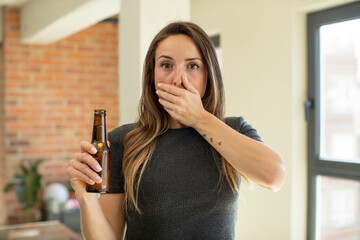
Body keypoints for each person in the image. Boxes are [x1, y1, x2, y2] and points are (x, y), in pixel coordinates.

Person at [67, 21, 285, 240]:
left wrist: (199, 118)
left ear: (208, 75)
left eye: (193, 66)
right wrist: (85, 198)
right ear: (152, 75)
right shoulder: (124, 140)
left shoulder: (233, 130)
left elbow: (274, 176)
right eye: (166, 65)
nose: (179, 79)